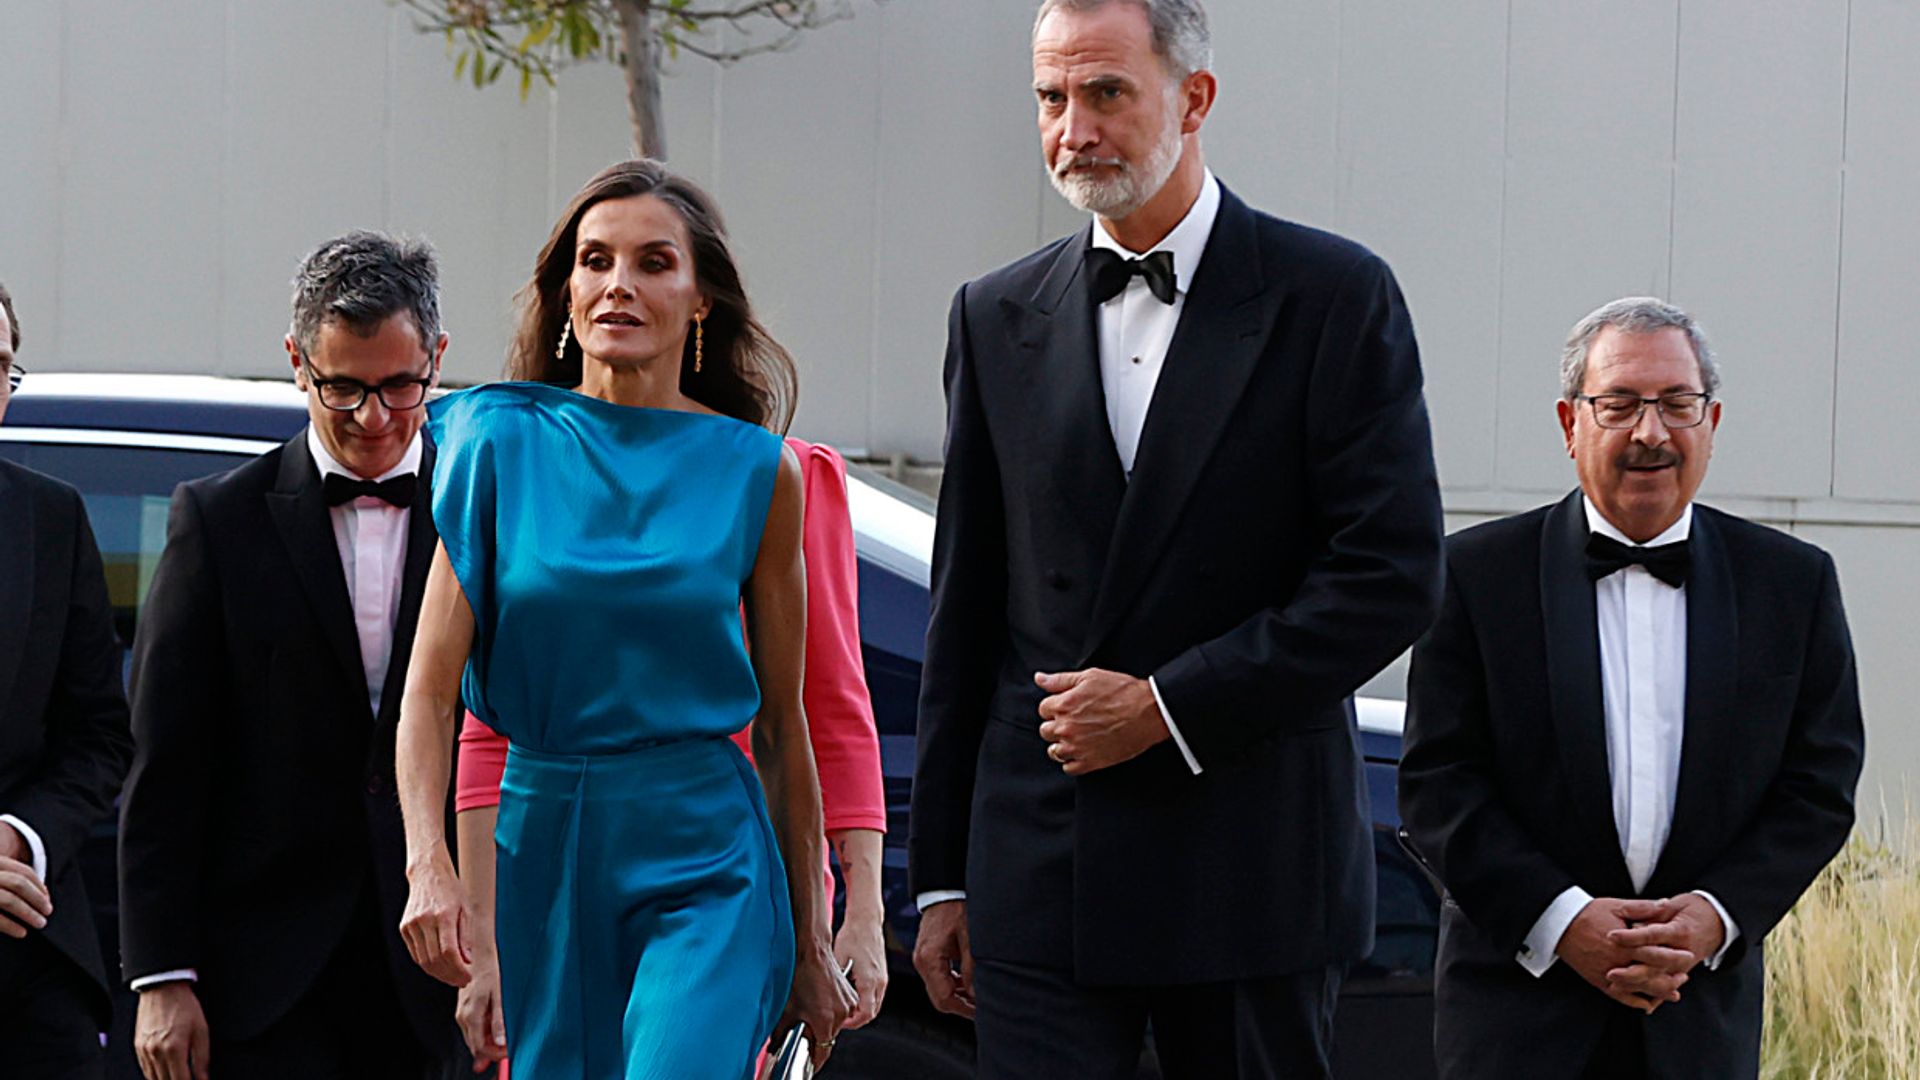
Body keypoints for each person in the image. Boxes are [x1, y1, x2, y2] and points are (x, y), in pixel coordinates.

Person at [907, 1, 1445, 1075]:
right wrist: (944, 880)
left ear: (1195, 98)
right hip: (1040, 869)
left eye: (1107, 93)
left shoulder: (1333, 297)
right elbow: (965, 610)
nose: (1075, 129)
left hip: (1247, 867)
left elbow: (1389, 576)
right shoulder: (992, 311)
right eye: (1051, 99)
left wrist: (1167, 707)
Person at [393, 159, 857, 1080]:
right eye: (596, 261)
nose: (619, 285)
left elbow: (784, 724)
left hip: (707, 851)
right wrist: (429, 864)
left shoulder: (760, 472)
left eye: (653, 262)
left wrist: (812, 935)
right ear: (566, 294)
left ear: (699, 302)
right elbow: (430, 694)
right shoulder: (494, 446)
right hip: (549, 840)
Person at [1398, 297, 1866, 1079]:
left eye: (1677, 404)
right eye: (1619, 404)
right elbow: (1440, 786)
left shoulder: (1793, 585)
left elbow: (1819, 786)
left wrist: (1714, 918)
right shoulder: (1474, 577)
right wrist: (1563, 922)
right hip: (1515, 1026)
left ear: (1711, 423)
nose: (1651, 433)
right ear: (1569, 423)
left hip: (1698, 1023)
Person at [118, 234, 467, 1079]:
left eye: (399, 387)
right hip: (264, 978)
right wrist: (163, 976)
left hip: (443, 974)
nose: (373, 419)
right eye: (342, 388)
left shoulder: (480, 509)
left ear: (438, 359)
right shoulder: (218, 521)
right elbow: (167, 762)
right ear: (296, 362)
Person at [449, 436, 889, 1073]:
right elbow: (489, 736)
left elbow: (830, 706)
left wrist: (861, 914)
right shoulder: (532, 468)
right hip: (557, 869)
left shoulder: (781, 474)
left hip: (730, 865)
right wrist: (483, 947)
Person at [0, 282, 135, 1079]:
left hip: (29, 953)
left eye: (1, 367)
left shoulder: (51, 518)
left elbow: (99, 735)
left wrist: (19, 837)